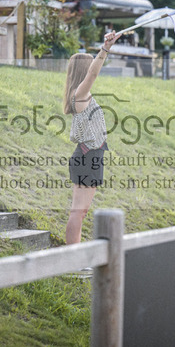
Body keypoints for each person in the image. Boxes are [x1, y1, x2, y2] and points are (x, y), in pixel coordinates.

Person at [63, 31, 120, 245]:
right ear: (83, 71)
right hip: (87, 157)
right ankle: (73, 257)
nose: (92, 70)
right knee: (78, 212)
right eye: (89, 66)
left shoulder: (82, 95)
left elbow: (92, 73)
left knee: (81, 212)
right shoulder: (80, 94)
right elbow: (93, 74)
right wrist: (105, 49)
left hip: (91, 157)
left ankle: (75, 254)